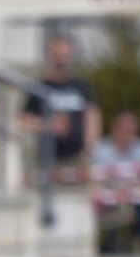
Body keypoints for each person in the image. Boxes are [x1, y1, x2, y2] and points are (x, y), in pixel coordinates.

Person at [21, 35, 102, 170]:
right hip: (47, 160)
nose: (61, 61)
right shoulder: (39, 87)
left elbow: (92, 116)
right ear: (49, 56)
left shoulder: (82, 87)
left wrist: (90, 146)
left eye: (65, 56)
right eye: (57, 55)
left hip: (77, 159)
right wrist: (48, 125)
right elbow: (23, 120)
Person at [90, 110, 140, 253]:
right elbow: (98, 180)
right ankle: (111, 245)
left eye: (132, 132)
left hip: (134, 193)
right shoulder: (101, 150)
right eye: (125, 131)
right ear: (115, 130)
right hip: (110, 194)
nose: (128, 135)